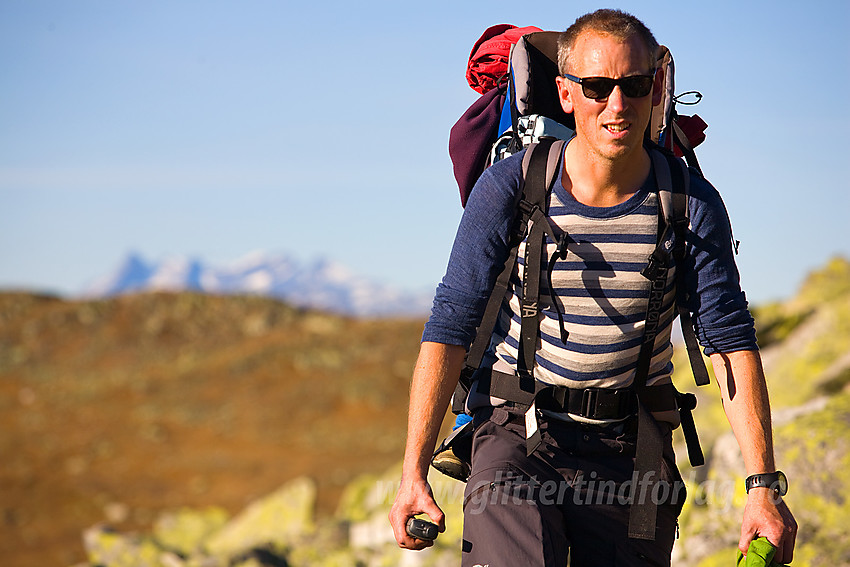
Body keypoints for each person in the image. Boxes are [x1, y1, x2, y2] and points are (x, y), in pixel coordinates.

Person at [389, 9, 797, 566]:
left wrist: (762, 488)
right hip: (518, 434)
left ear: (655, 90)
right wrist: (413, 470)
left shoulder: (691, 204)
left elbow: (729, 343)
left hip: (633, 451)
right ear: (565, 92)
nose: (617, 104)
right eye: (597, 87)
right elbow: (450, 326)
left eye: (634, 86)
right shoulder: (512, 187)